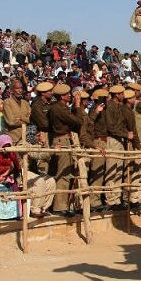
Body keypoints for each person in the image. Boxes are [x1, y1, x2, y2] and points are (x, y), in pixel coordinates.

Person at [47, 83, 84, 216]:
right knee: (63, 173)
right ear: (62, 96)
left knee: (67, 172)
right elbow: (77, 122)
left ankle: (63, 205)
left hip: (64, 139)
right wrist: (78, 106)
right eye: (68, 94)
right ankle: (59, 206)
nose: (70, 96)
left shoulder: (59, 107)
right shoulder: (59, 109)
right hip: (62, 140)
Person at [79, 88, 108, 210]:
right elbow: (89, 125)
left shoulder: (103, 111)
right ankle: (94, 201)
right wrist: (96, 112)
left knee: (100, 173)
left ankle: (96, 199)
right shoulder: (93, 111)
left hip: (103, 141)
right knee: (96, 172)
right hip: (96, 141)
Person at [103, 84, 129, 207]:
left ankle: (116, 198)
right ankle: (110, 198)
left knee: (119, 170)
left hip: (120, 139)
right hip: (113, 139)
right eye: (122, 94)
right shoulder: (110, 107)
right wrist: (125, 134)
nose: (124, 96)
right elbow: (111, 127)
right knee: (111, 169)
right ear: (117, 95)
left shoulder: (119, 106)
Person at [2, 79, 31, 144]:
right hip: (14, 139)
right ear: (11, 90)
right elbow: (11, 122)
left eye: (21, 88)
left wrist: (20, 118)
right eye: (17, 88)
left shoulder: (26, 103)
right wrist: (25, 119)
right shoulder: (7, 102)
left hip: (26, 138)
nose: (20, 91)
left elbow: (30, 119)